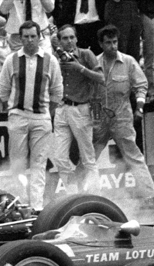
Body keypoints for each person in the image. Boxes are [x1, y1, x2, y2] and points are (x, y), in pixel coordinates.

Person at [0, 20, 63, 209]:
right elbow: (3, 90)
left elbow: (57, 91)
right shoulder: (11, 60)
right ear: (20, 38)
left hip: (41, 117)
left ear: (39, 37)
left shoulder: (50, 60)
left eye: (33, 36)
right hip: (18, 116)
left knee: (39, 164)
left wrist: (45, 113)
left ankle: (36, 207)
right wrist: (13, 110)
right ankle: (20, 205)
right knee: (17, 165)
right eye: (25, 37)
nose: (29, 40)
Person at [92, 24, 154, 197]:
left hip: (122, 116)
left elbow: (141, 85)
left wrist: (140, 108)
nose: (113, 46)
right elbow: (88, 92)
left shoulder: (128, 62)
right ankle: (79, 195)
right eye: (108, 43)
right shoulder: (94, 63)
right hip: (99, 117)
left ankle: (152, 198)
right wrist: (94, 117)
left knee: (134, 157)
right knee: (89, 159)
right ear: (101, 44)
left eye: (115, 42)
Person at [52, 24, 102, 193]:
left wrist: (79, 68)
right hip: (61, 108)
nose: (69, 41)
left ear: (77, 38)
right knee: (59, 157)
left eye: (72, 37)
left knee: (88, 158)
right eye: (65, 38)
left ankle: (96, 196)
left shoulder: (86, 54)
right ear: (60, 41)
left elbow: (101, 78)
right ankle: (73, 193)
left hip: (81, 108)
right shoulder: (56, 57)